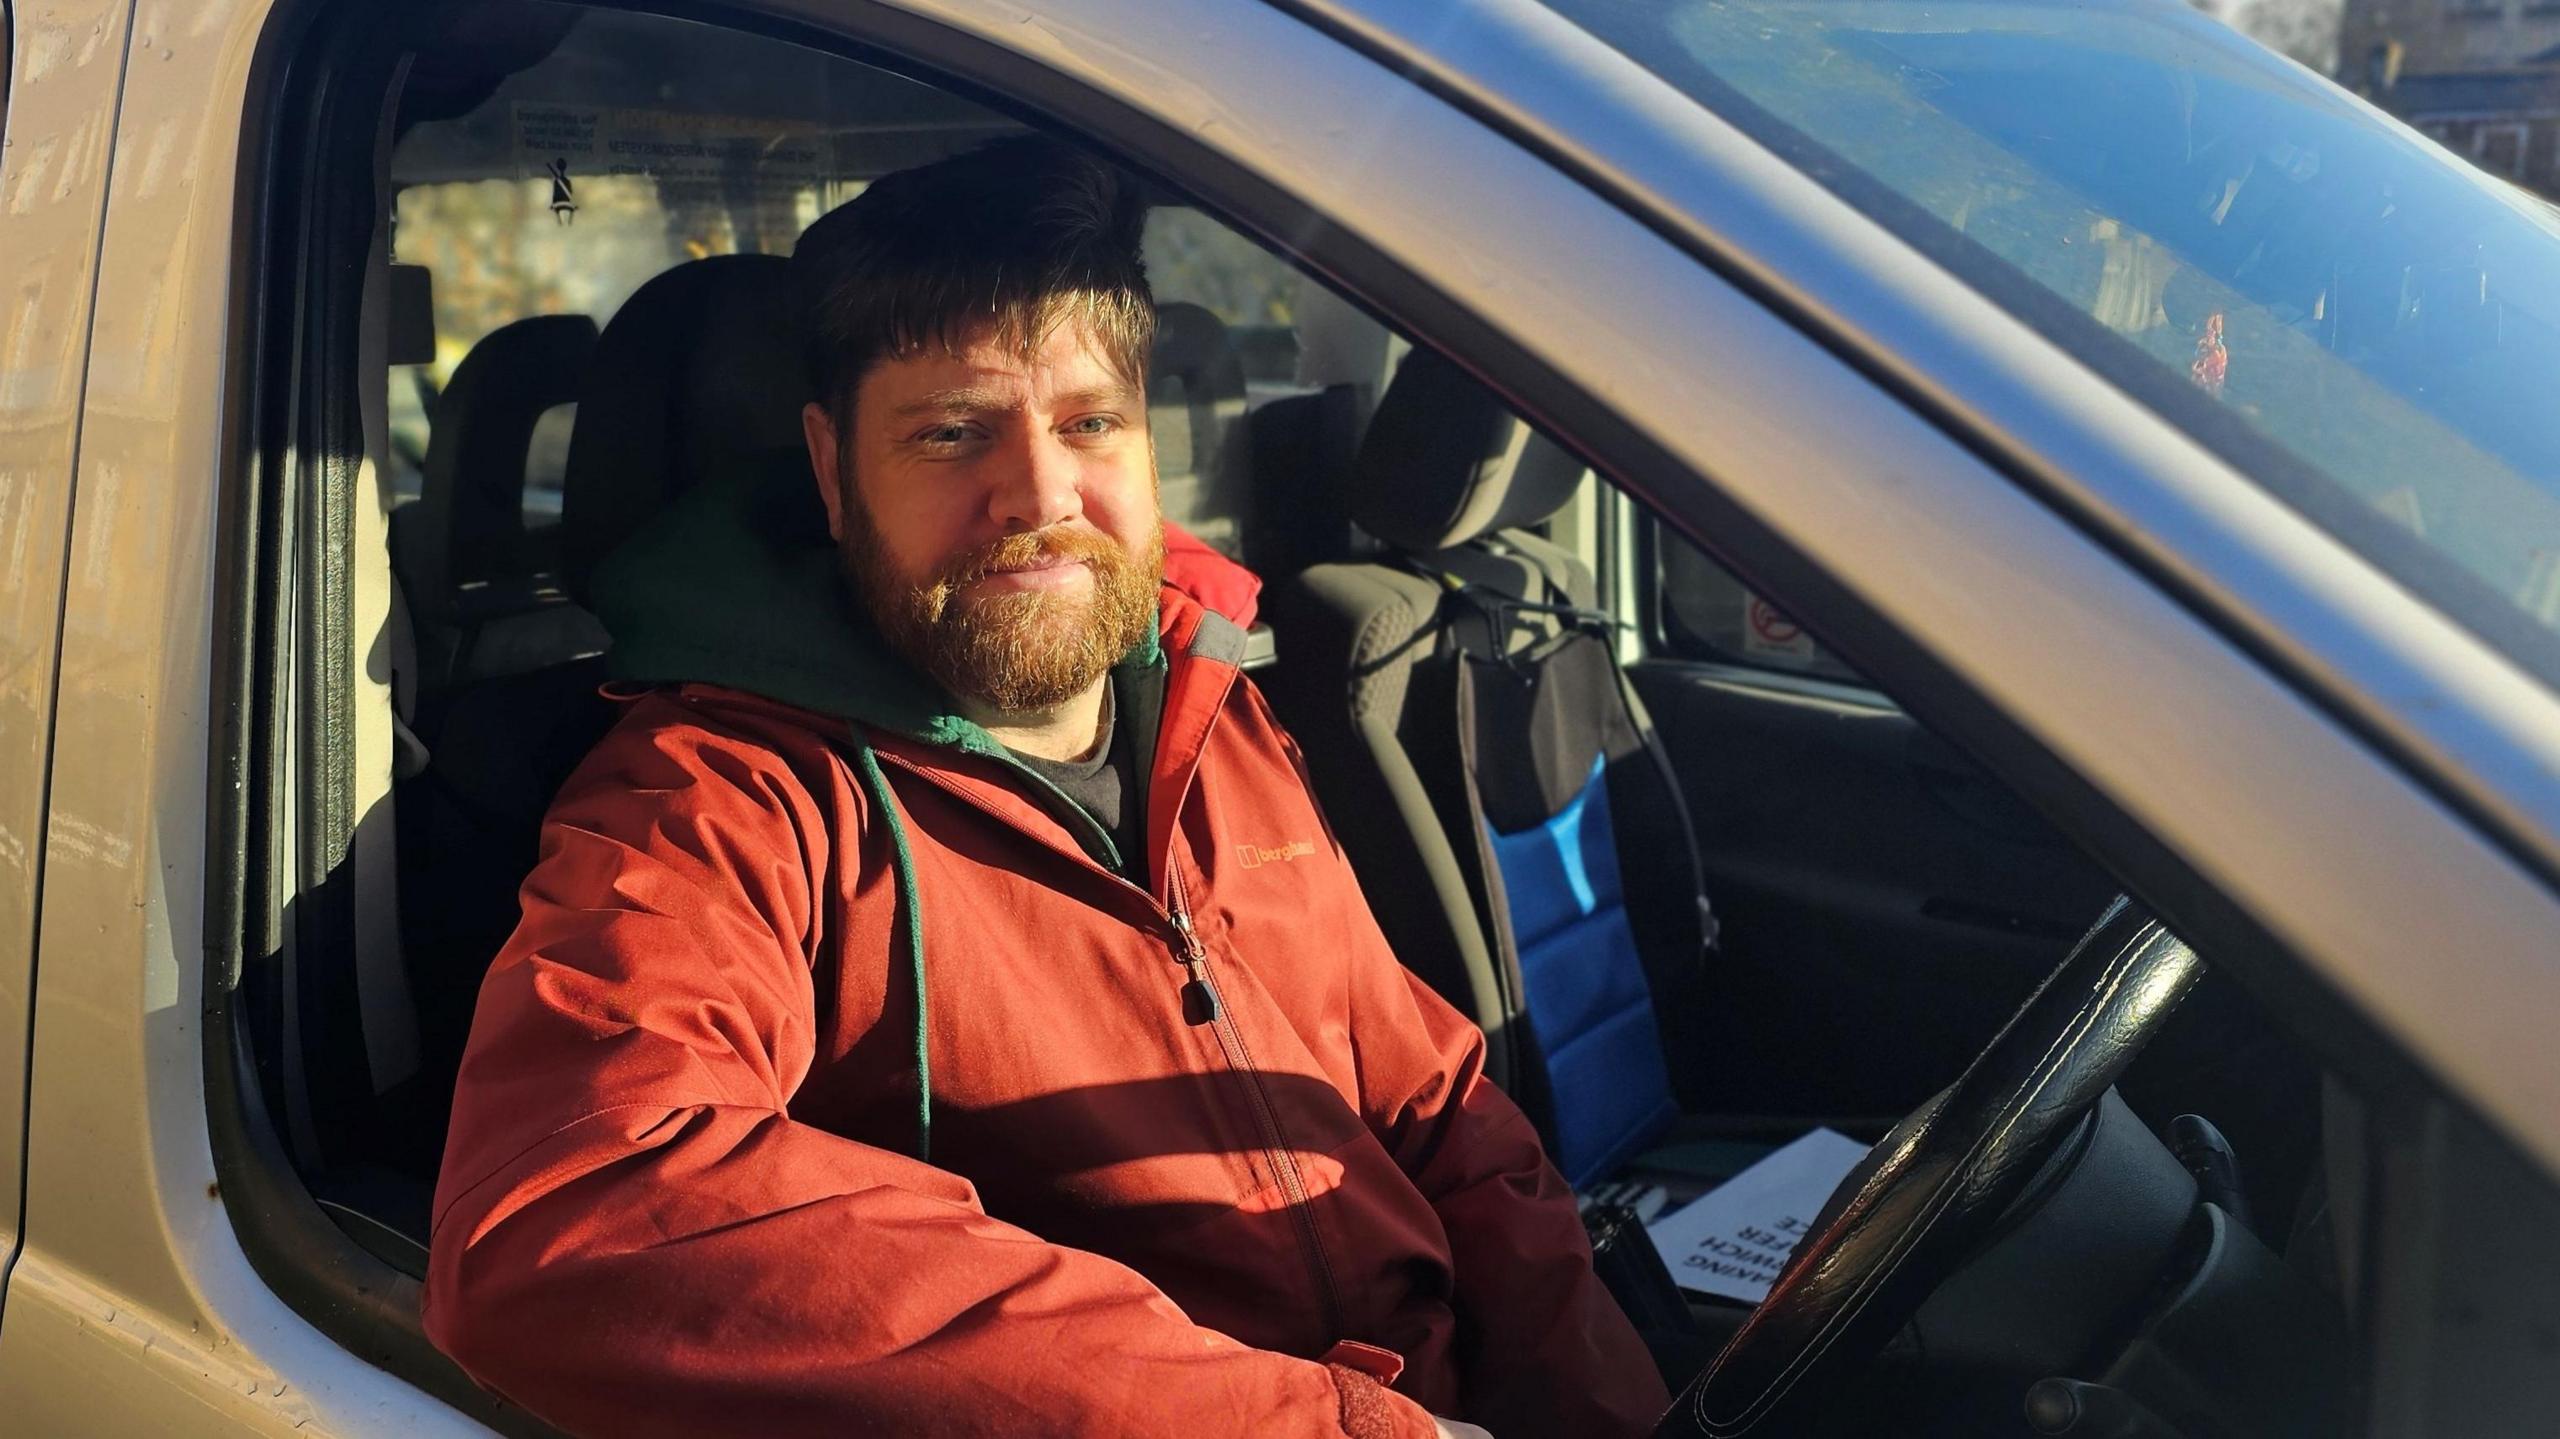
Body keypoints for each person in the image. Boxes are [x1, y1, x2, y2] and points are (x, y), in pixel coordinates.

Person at [422, 136, 1668, 1439]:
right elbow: (565, 1212)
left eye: (1089, 423)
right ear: (834, 471)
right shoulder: (720, 798)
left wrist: (1601, 1409)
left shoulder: (1213, 700)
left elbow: (1437, 1112)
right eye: (952, 432)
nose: (1037, 493)